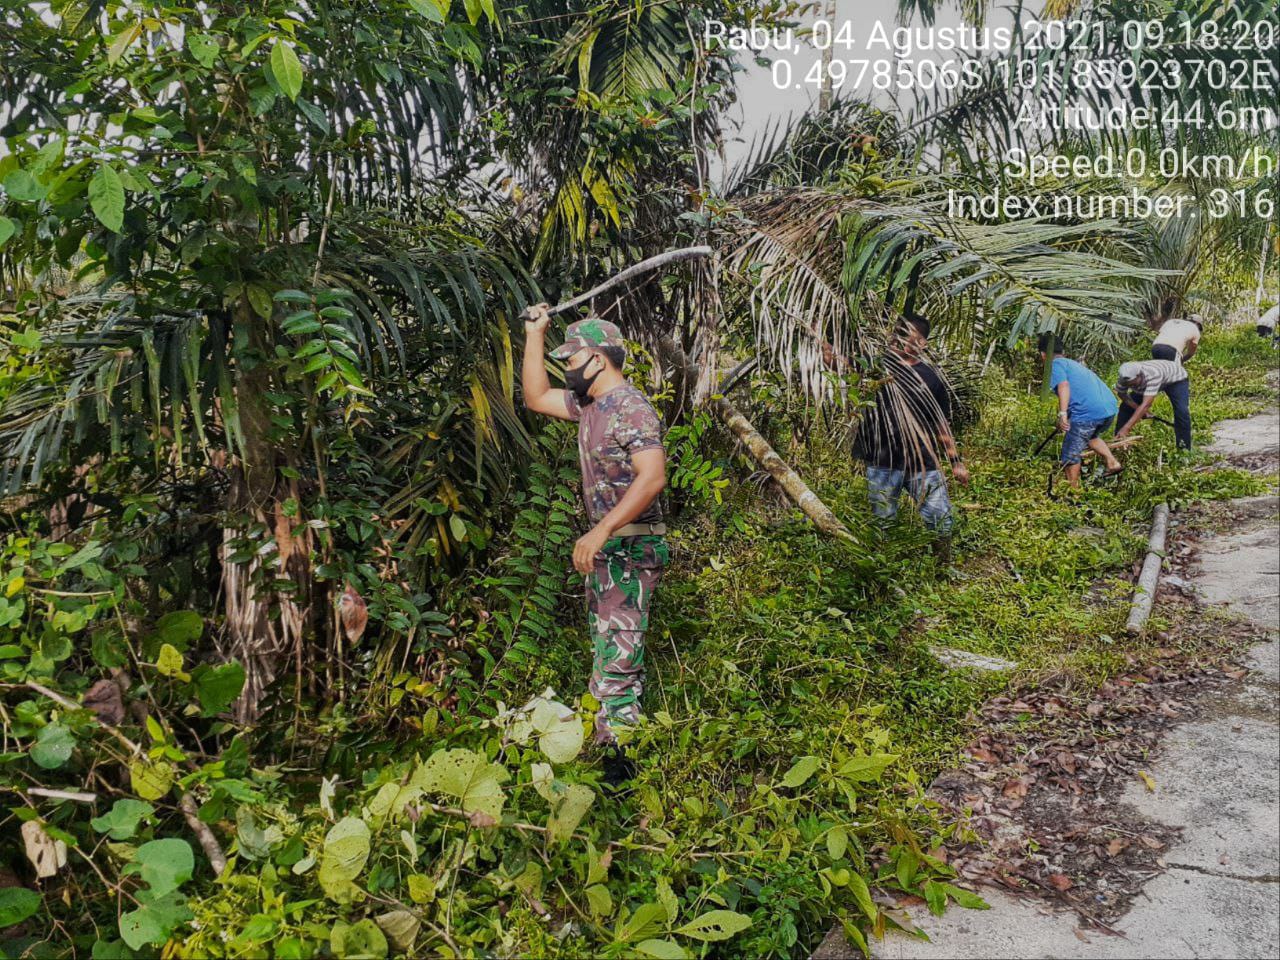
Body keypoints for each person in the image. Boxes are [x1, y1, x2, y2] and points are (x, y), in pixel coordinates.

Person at [521, 304, 667, 787]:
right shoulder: (589, 405)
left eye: (571, 360)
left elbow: (652, 478)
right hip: (607, 552)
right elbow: (536, 396)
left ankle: (622, 773)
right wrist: (535, 334)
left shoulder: (631, 407)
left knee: (620, 655)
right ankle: (609, 744)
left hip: (631, 548)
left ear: (598, 360)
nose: (566, 369)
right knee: (608, 650)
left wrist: (601, 529)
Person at [852, 313, 969, 548]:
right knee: (882, 525)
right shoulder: (876, 367)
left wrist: (955, 461)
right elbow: (837, 363)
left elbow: (941, 424)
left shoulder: (931, 379)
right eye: (896, 332)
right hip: (881, 462)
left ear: (922, 343)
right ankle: (882, 574)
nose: (897, 338)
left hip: (922, 464)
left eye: (905, 334)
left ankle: (941, 570)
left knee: (940, 521)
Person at [1038, 333, 1122, 487]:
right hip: (1108, 409)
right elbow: (1080, 393)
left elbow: (1064, 386)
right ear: (1062, 352)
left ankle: (1072, 492)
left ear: (1043, 354)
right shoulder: (1072, 364)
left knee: (1070, 453)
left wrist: (1062, 414)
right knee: (1090, 436)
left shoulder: (1054, 365)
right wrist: (1068, 417)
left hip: (1089, 412)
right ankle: (1112, 462)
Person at [1114, 357, 1192, 450]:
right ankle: (1119, 442)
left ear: (1139, 375)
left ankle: (1184, 449)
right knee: (1125, 407)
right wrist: (1137, 408)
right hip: (1146, 383)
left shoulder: (1153, 373)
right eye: (1129, 385)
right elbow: (1122, 394)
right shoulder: (1124, 379)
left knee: (1181, 411)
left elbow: (1146, 405)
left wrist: (1127, 428)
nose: (1131, 386)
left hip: (1175, 379)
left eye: (1133, 384)